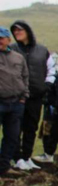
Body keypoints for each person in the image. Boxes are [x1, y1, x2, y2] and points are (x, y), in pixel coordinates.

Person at [9, 21, 51, 171]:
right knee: (15, 128)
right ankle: (17, 158)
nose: (17, 33)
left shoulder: (42, 50)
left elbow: (51, 69)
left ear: (27, 31)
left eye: (20, 30)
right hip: (17, 96)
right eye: (14, 31)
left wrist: (46, 85)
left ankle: (27, 157)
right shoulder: (11, 49)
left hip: (36, 95)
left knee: (31, 127)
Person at [0, 27, 28, 177]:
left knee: (12, 136)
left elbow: (25, 77)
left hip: (16, 103)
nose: (0, 41)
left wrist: (24, 96)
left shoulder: (18, 57)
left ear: (8, 40)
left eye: (2, 38)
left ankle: (4, 167)